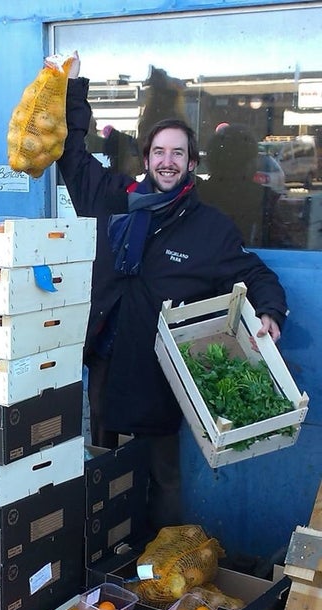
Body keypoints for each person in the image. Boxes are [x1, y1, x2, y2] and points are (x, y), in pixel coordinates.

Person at [57, 66, 288, 531]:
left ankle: (159, 568)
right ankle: (108, 559)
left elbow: (253, 272)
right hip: (103, 361)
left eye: (177, 153)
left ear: (191, 162)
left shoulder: (209, 228)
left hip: (161, 371)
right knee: (105, 469)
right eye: (159, 151)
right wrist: (71, 87)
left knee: (161, 475)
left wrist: (269, 310)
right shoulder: (114, 196)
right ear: (146, 158)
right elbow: (70, 152)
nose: (167, 161)